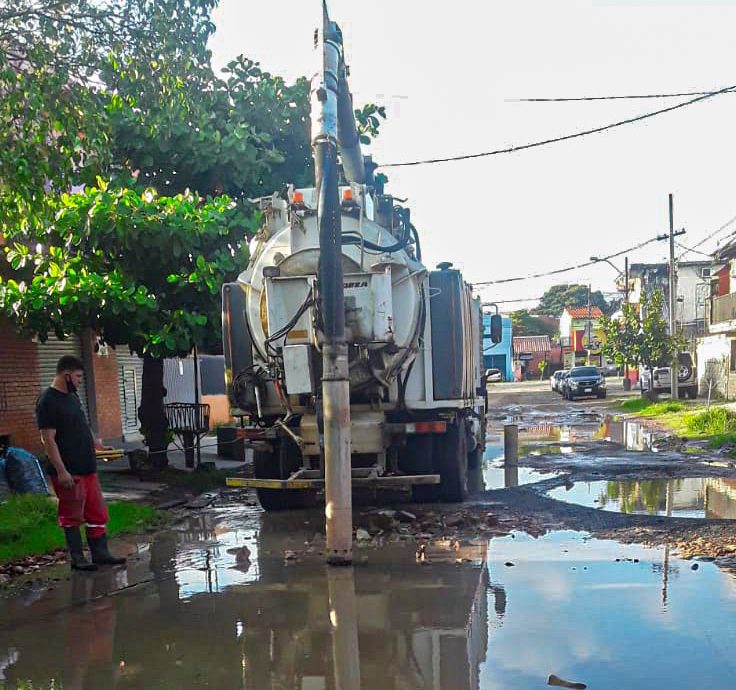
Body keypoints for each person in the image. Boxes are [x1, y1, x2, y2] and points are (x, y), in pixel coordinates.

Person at [36, 355, 126, 571]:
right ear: (66, 375)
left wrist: (99, 446)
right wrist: (61, 471)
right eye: (77, 377)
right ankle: (77, 558)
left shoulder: (73, 397)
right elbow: (48, 439)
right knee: (72, 514)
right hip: (69, 470)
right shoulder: (47, 401)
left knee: (96, 512)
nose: (79, 381)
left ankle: (100, 553)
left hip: (87, 467)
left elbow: (83, 426)